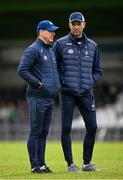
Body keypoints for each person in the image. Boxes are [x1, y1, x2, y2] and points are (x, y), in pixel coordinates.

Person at [53, 12, 103, 172]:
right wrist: (63, 80)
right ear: (69, 25)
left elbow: (98, 69)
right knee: (66, 128)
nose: (75, 27)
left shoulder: (93, 46)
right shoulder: (60, 44)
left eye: (78, 24)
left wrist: (91, 81)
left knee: (93, 127)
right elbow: (53, 67)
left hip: (86, 93)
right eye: (73, 24)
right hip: (67, 93)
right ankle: (70, 164)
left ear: (84, 24)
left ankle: (86, 164)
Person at [17, 20, 60, 173]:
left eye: (54, 31)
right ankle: (34, 165)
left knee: (44, 132)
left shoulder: (50, 50)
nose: (53, 33)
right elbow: (22, 70)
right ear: (41, 32)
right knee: (36, 131)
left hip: (49, 98)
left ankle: (42, 164)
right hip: (37, 97)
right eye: (50, 31)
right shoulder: (33, 49)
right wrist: (38, 83)